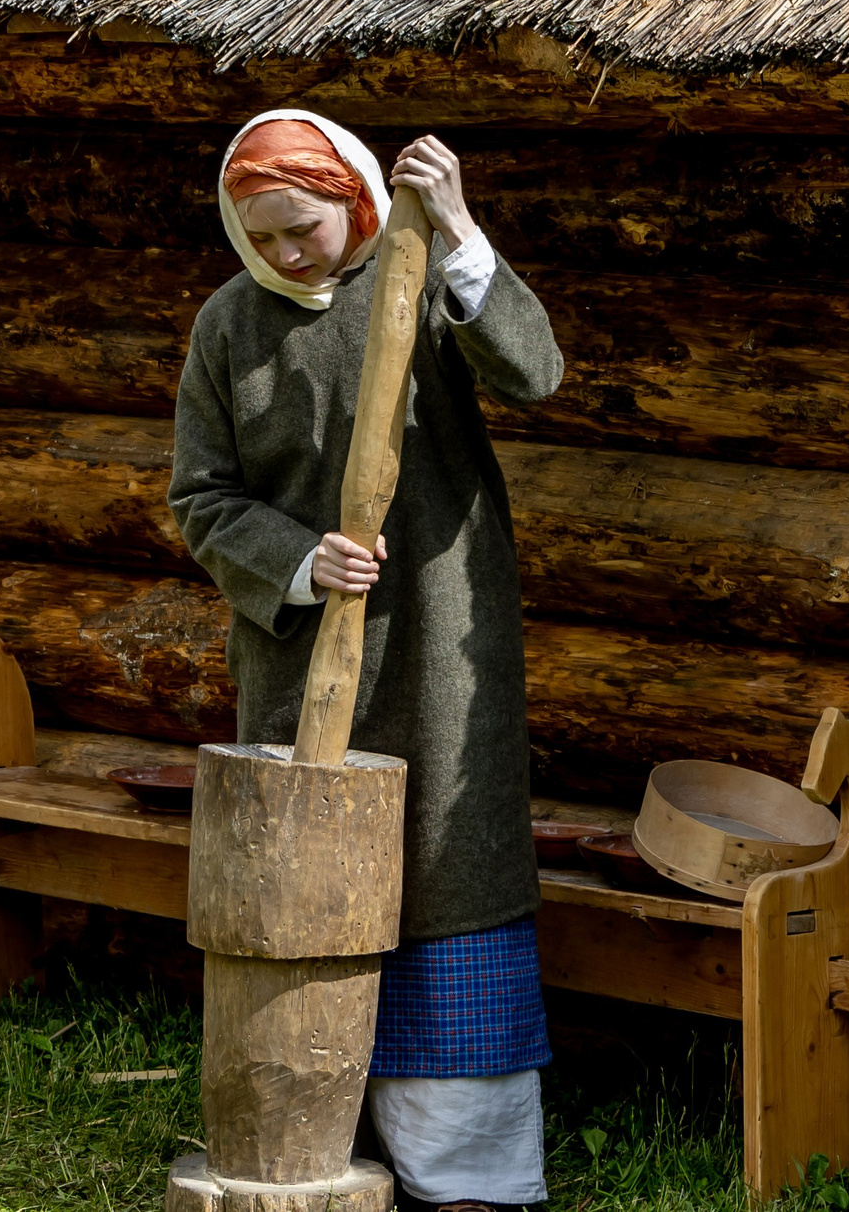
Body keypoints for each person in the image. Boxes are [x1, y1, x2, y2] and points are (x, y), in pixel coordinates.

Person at [170, 110, 564, 1212]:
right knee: (305, 888)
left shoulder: (426, 278)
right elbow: (200, 498)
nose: (288, 253)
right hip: (305, 658)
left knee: (448, 871)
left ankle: (467, 1174)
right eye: (265, 237)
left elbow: (534, 373)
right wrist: (300, 563)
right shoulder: (229, 327)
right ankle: (305, 1150)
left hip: (439, 640)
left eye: (303, 227)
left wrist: (456, 229)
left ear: (352, 198)